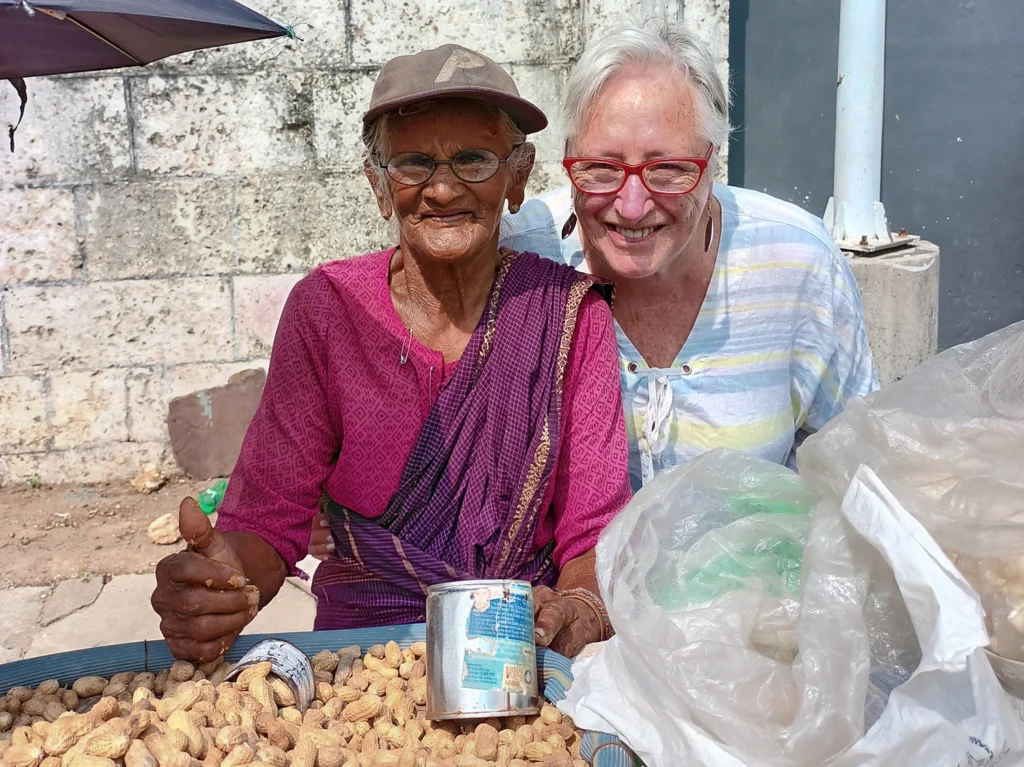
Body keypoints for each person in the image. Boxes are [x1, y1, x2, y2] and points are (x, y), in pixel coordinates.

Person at [310, 22, 876, 550]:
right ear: (563, 166)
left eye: (668, 169)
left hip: (749, 615)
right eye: (601, 169)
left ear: (712, 162)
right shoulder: (518, 261)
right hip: (565, 626)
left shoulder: (796, 263)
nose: (632, 205)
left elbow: (857, 471)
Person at [152, 44, 631, 663]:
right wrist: (224, 583)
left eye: (474, 160)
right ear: (380, 186)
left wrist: (581, 610)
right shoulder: (327, 310)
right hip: (361, 658)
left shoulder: (569, 315)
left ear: (516, 177)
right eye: (413, 164)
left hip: (516, 645)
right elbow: (267, 520)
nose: (442, 188)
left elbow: (595, 532)